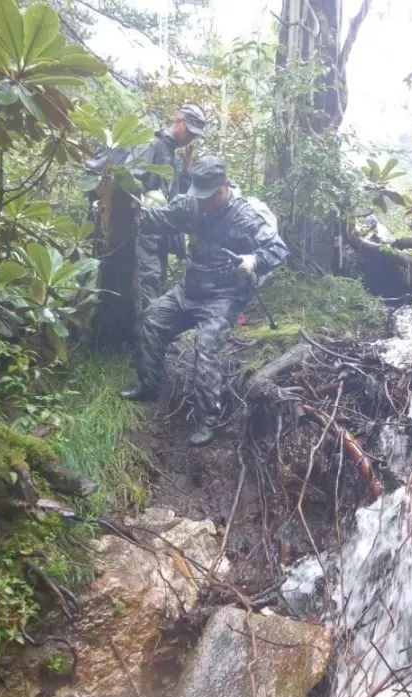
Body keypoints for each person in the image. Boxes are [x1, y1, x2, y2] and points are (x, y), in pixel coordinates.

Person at [119, 155, 289, 446]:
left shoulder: (246, 216)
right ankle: (148, 386)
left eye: (208, 196)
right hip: (188, 289)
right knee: (150, 320)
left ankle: (207, 419)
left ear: (223, 187)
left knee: (206, 349)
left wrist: (254, 261)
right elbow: (160, 219)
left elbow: (278, 249)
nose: (202, 201)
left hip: (222, 297)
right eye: (199, 194)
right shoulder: (190, 204)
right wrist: (125, 212)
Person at [132, 103, 206, 309]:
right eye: (189, 131)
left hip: (159, 233)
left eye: (194, 135)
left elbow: (173, 194)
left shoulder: (171, 151)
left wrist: (184, 172)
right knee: (149, 280)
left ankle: (145, 331)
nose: (190, 137)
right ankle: (142, 334)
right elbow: (132, 179)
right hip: (145, 230)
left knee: (156, 279)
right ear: (178, 121)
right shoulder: (153, 144)